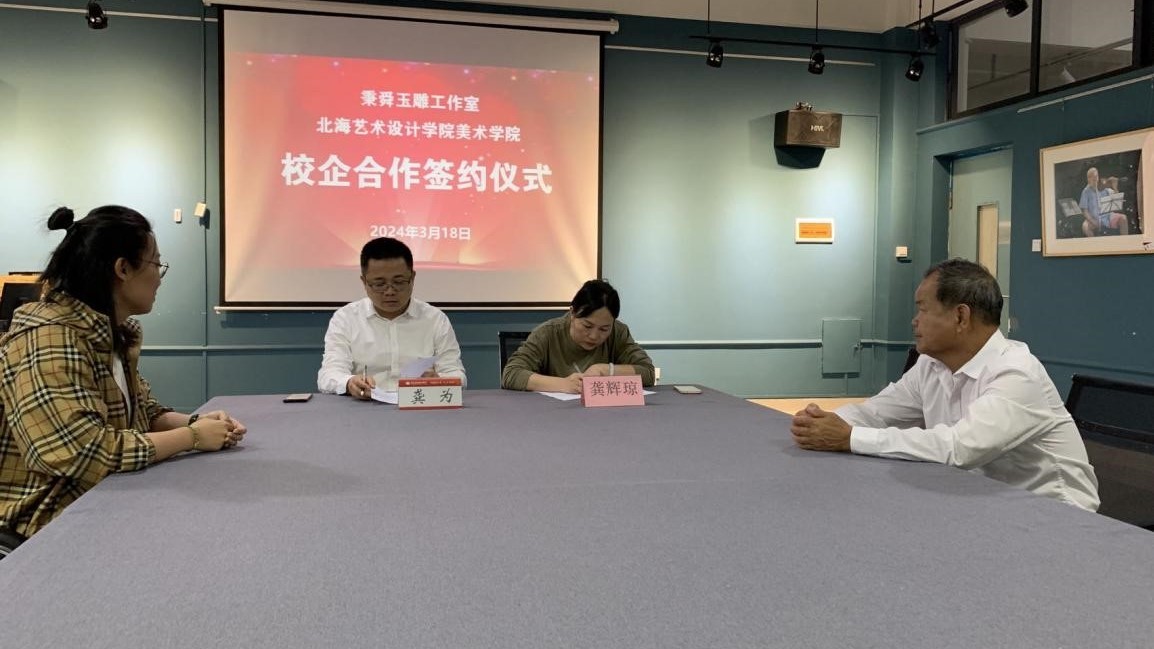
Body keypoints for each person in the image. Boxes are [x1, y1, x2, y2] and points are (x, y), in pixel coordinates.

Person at [0, 205, 247, 557]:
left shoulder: (111, 332)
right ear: (122, 268)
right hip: (42, 528)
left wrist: (197, 422)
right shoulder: (50, 337)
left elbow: (142, 412)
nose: (159, 278)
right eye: (156, 264)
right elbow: (80, 452)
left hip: (103, 504)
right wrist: (191, 437)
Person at [790, 259, 1099, 511]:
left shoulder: (1017, 373)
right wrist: (821, 421)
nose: (914, 320)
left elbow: (959, 449)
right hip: (980, 500)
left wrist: (850, 437)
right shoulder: (931, 365)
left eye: (922, 309)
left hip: (1059, 517)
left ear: (961, 317)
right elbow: (877, 413)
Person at [317, 237, 465, 398]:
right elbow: (328, 374)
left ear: (412, 278)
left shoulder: (435, 319)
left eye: (399, 282)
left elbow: (456, 374)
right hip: (364, 405)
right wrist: (349, 382)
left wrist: (438, 380)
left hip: (419, 403)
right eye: (379, 284)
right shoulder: (346, 318)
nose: (389, 292)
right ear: (364, 282)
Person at [501, 279, 655, 394]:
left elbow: (647, 372)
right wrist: (564, 384)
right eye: (587, 326)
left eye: (604, 329)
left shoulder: (618, 332)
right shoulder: (548, 333)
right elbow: (511, 374)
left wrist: (605, 370)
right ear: (573, 313)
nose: (594, 336)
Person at [1079, 166, 1129, 236]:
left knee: (1123, 218)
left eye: (1096, 176)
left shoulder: (1105, 189)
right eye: (1092, 177)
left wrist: (1115, 187)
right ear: (1088, 179)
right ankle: (1095, 242)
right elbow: (1084, 211)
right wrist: (1092, 221)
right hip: (1094, 218)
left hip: (1107, 217)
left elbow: (1117, 203)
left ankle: (1125, 241)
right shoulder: (1086, 191)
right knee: (1085, 227)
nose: (1095, 179)